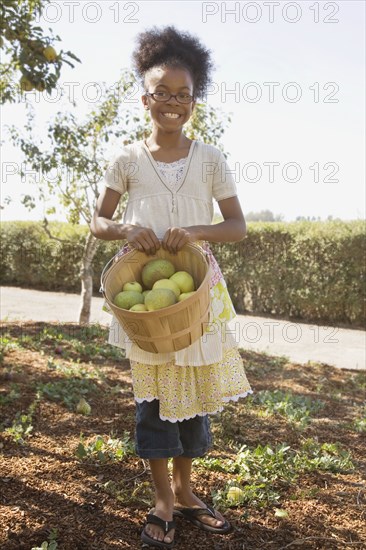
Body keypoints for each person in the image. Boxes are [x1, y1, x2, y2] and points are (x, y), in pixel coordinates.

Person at [91, 25, 253, 549]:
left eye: (182, 95)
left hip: (198, 295)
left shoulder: (210, 159)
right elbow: (98, 220)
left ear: (193, 101)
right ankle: (162, 499)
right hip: (143, 297)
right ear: (146, 98)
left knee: (194, 399)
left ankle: (186, 492)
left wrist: (199, 232)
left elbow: (237, 226)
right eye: (162, 92)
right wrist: (121, 229)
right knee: (156, 400)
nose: (172, 103)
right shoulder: (126, 160)